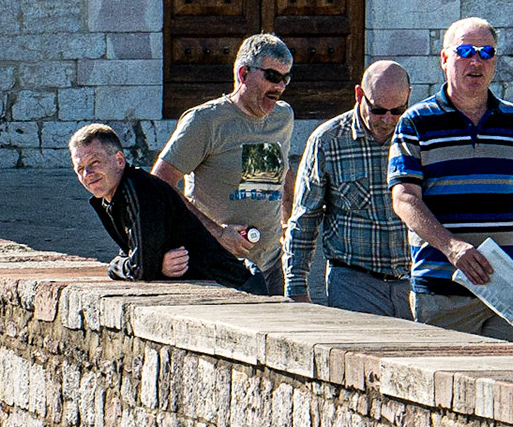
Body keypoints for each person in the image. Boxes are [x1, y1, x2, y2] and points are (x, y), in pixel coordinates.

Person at [388, 18, 513, 343]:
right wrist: (452, 247)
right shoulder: (415, 123)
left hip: (512, 294)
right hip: (443, 292)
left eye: (486, 52)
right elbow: (404, 198)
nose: (476, 61)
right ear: (444, 60)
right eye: (464, 51)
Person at [151, 33, 298, 293]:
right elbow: (159, 183)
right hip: (218, 264)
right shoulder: (205, 121)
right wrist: (217, 232)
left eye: (286, 79)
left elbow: (283, 168)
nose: (280, 86)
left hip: (271, 265)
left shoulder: (283, 117)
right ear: (243, 74)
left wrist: (288, 221)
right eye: (273, 77)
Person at [284, 60, 414, 316]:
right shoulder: (328, 141)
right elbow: (305, 217)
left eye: (397, 110)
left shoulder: (416, 135)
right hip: (354, 283)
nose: (388, 119)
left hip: (412, 281)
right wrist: (296, 285)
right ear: (358, 95)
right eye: (377, 110)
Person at [70, 124, 259, 288]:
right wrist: (151, 264)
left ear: (119, 160)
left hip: (233, 287)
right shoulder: (114, 198)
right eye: (80, 169)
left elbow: (140, 269)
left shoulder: (138, 189)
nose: (87, 173)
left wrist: (116, 267)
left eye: (95, 162)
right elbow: (135, 256)